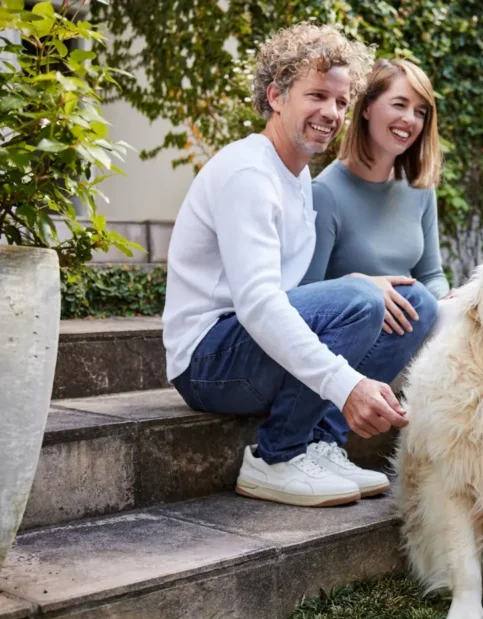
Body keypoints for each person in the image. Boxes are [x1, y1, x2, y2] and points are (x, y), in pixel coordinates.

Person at [162, 23, 405, 508]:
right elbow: (258, 305)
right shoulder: (250, 173)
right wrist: (346, 383)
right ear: (276, 96)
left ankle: (321, 440)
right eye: (317, 96)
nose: (332, 113)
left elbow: (294, 293)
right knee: (359, 302)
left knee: (410, 302)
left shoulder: (296, 178)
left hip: (243, 350)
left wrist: (351, 283)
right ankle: (278, 456)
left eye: (340, 101)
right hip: (207, 363)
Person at [299, 58, 449, 451]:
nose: (410, 119)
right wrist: (363, 286)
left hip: (411, 330)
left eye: (420, 111)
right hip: (347, 348)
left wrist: (448, 304)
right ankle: (321, 436)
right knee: (415, 300)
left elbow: (431, 274)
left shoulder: (419, 190)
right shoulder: (325, 193)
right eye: (399, 104)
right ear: (366, 107)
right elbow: (306, 296)